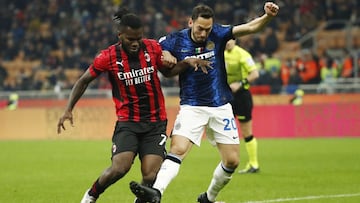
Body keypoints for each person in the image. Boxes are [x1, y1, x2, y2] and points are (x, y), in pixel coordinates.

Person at [56, 8, 210, 203]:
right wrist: (69, 109)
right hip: (128, 122)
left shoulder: (153, 48)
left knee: (151, 175)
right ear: (120, 36)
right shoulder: (108, 56)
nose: (136, 43)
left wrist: (186, 62)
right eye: (130, 39)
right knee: (120, 167)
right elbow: (83, 80)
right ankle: (91, 195)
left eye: (139, 38)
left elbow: (169, 73)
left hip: (155, 122)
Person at [130, 2, 279, 203]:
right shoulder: (175, 40)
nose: (203, 33)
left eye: (207, 29)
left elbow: (250, 27)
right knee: (178, 149)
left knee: (232, 161)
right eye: (200, 28)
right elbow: (152, 49)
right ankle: (155, 193)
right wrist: (162, 54)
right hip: (192, 106)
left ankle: (208, 198)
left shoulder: (217, 34)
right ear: (191, 22)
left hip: (221, 106)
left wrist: (267, 16)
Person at [224, 39, 260, 173]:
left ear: (234, 40)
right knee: (225, 131)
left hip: (242, 96)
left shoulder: (242, 54)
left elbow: (255, 73)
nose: (227, 42)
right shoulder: (220, 53)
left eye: (230, 39)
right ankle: (228, 162)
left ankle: (254, 164)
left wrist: (240, 83)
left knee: (246, 132)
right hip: (226, 96)